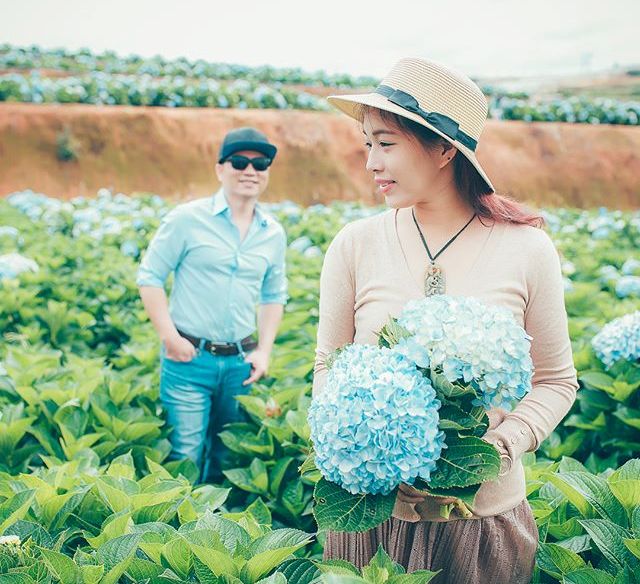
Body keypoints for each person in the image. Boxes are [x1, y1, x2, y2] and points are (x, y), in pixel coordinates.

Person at [313, 57, 579, 583]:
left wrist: (511, 439)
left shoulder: (526, 250)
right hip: (368, 520)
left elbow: (556, 380)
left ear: (443, 148)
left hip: (479, 523)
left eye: (386, 143)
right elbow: (327, 370)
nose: (370, 162)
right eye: (368, 143)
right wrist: (367, 456)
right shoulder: (355, 245)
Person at [137, 127, 288, 483]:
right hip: (189, 360)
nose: (250, 171)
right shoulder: (187, 219)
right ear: (220, 168)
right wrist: (170, 338)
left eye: (260, 163)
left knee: (229, 461)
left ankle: (216, 536)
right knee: (184, 457)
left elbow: (273, 294)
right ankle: (174, 535)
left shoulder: (273, 232)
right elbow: (149, 277)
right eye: (239, 161)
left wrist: (264, 350)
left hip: (240, 364)